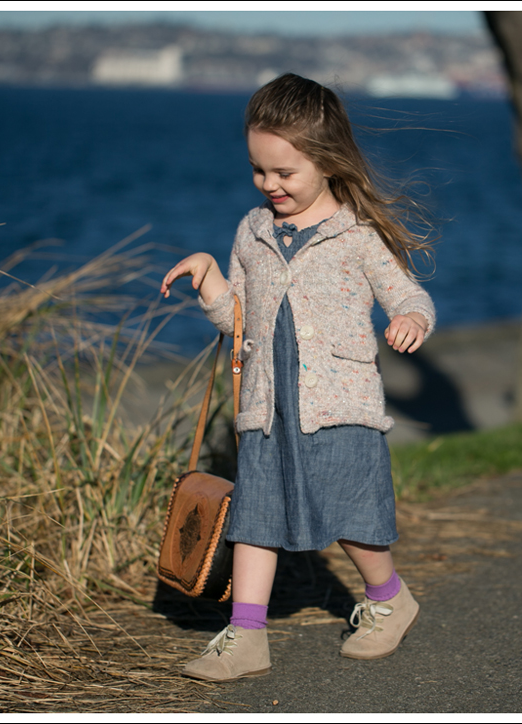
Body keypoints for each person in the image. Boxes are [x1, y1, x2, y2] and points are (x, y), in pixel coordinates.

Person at [160, 73, 437, 682]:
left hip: (339, 404)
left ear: (328, 159)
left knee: (351, 511)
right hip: (265, 404)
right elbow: (237, 321)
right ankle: (247, 634)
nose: (270, 185)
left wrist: (413, 319)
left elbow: (406, 293)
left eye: (285, 173)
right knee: (254, 514)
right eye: (260, 171)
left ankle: (389, 598)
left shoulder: (356, 234)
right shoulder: (251, 232)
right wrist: (211, 279)